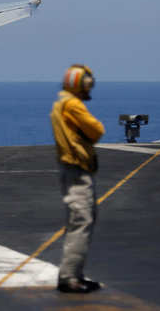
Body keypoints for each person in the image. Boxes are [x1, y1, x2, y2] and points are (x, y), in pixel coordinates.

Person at [50, 64, 105, 293]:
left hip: (71, 169)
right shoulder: (71, 104)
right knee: (81, 221)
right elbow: (96, 130)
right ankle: (70, 277)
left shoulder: (61, 103)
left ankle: (76, 274)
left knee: (80, 220)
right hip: (77, 170)